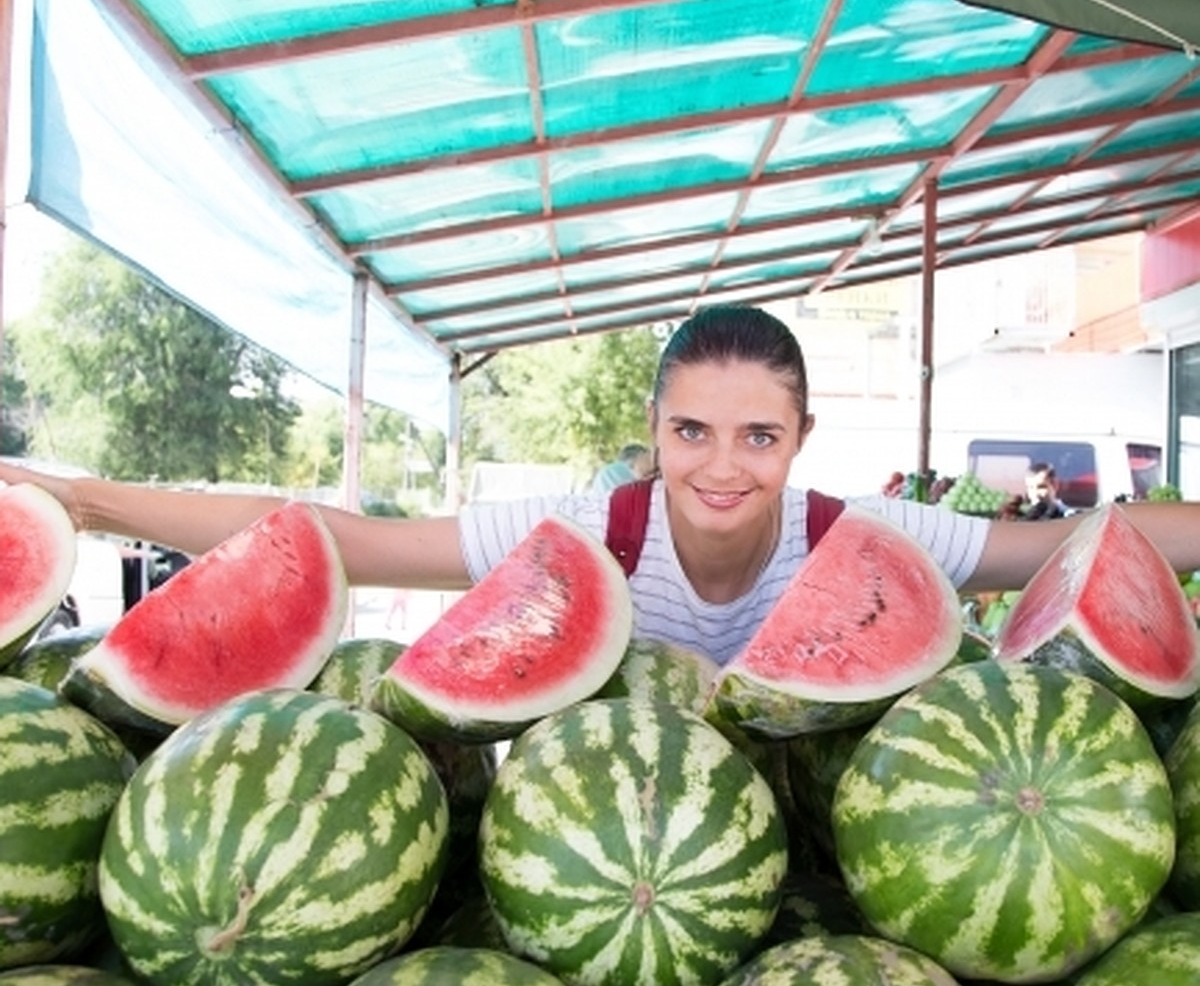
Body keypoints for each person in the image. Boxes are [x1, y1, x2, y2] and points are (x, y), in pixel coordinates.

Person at [2, 304, 1198, 666]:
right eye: (692, 431)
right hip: (609, 850)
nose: (722, 468)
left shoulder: (861, 537)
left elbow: (1079, 549)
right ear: (653, 428)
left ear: (801, 435)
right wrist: (92, 502)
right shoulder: (587, 531)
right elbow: (339, 541)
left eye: (757, 436)